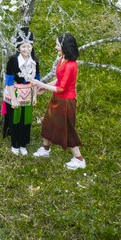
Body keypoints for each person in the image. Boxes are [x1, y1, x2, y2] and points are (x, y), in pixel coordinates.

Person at [30, 33, 85, 170]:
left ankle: (79, 160)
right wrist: (45, 87)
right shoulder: (62, 59)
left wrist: (41, 84)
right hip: (57, 98)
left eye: (57, 45)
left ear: (64, 46)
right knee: (48, 122)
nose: (56, 47)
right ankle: (45, 149)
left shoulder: (71, 65)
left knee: (67, 130)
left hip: (66, 102)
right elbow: (59, 80)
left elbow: (61, 88)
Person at [2, 27, 40, 155]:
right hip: (15, 92)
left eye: (29, 46)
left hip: (28, 93)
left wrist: (35, 95)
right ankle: (15, 144)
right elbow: (9, 81)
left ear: (32, 46)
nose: (26, 49)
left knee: (26, 119)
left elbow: (36, 80)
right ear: (18, 47)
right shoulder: (13, 61)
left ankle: (23, 144)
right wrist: (13, 98)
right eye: (23, 47)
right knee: (15, 119)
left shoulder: (34, 61)